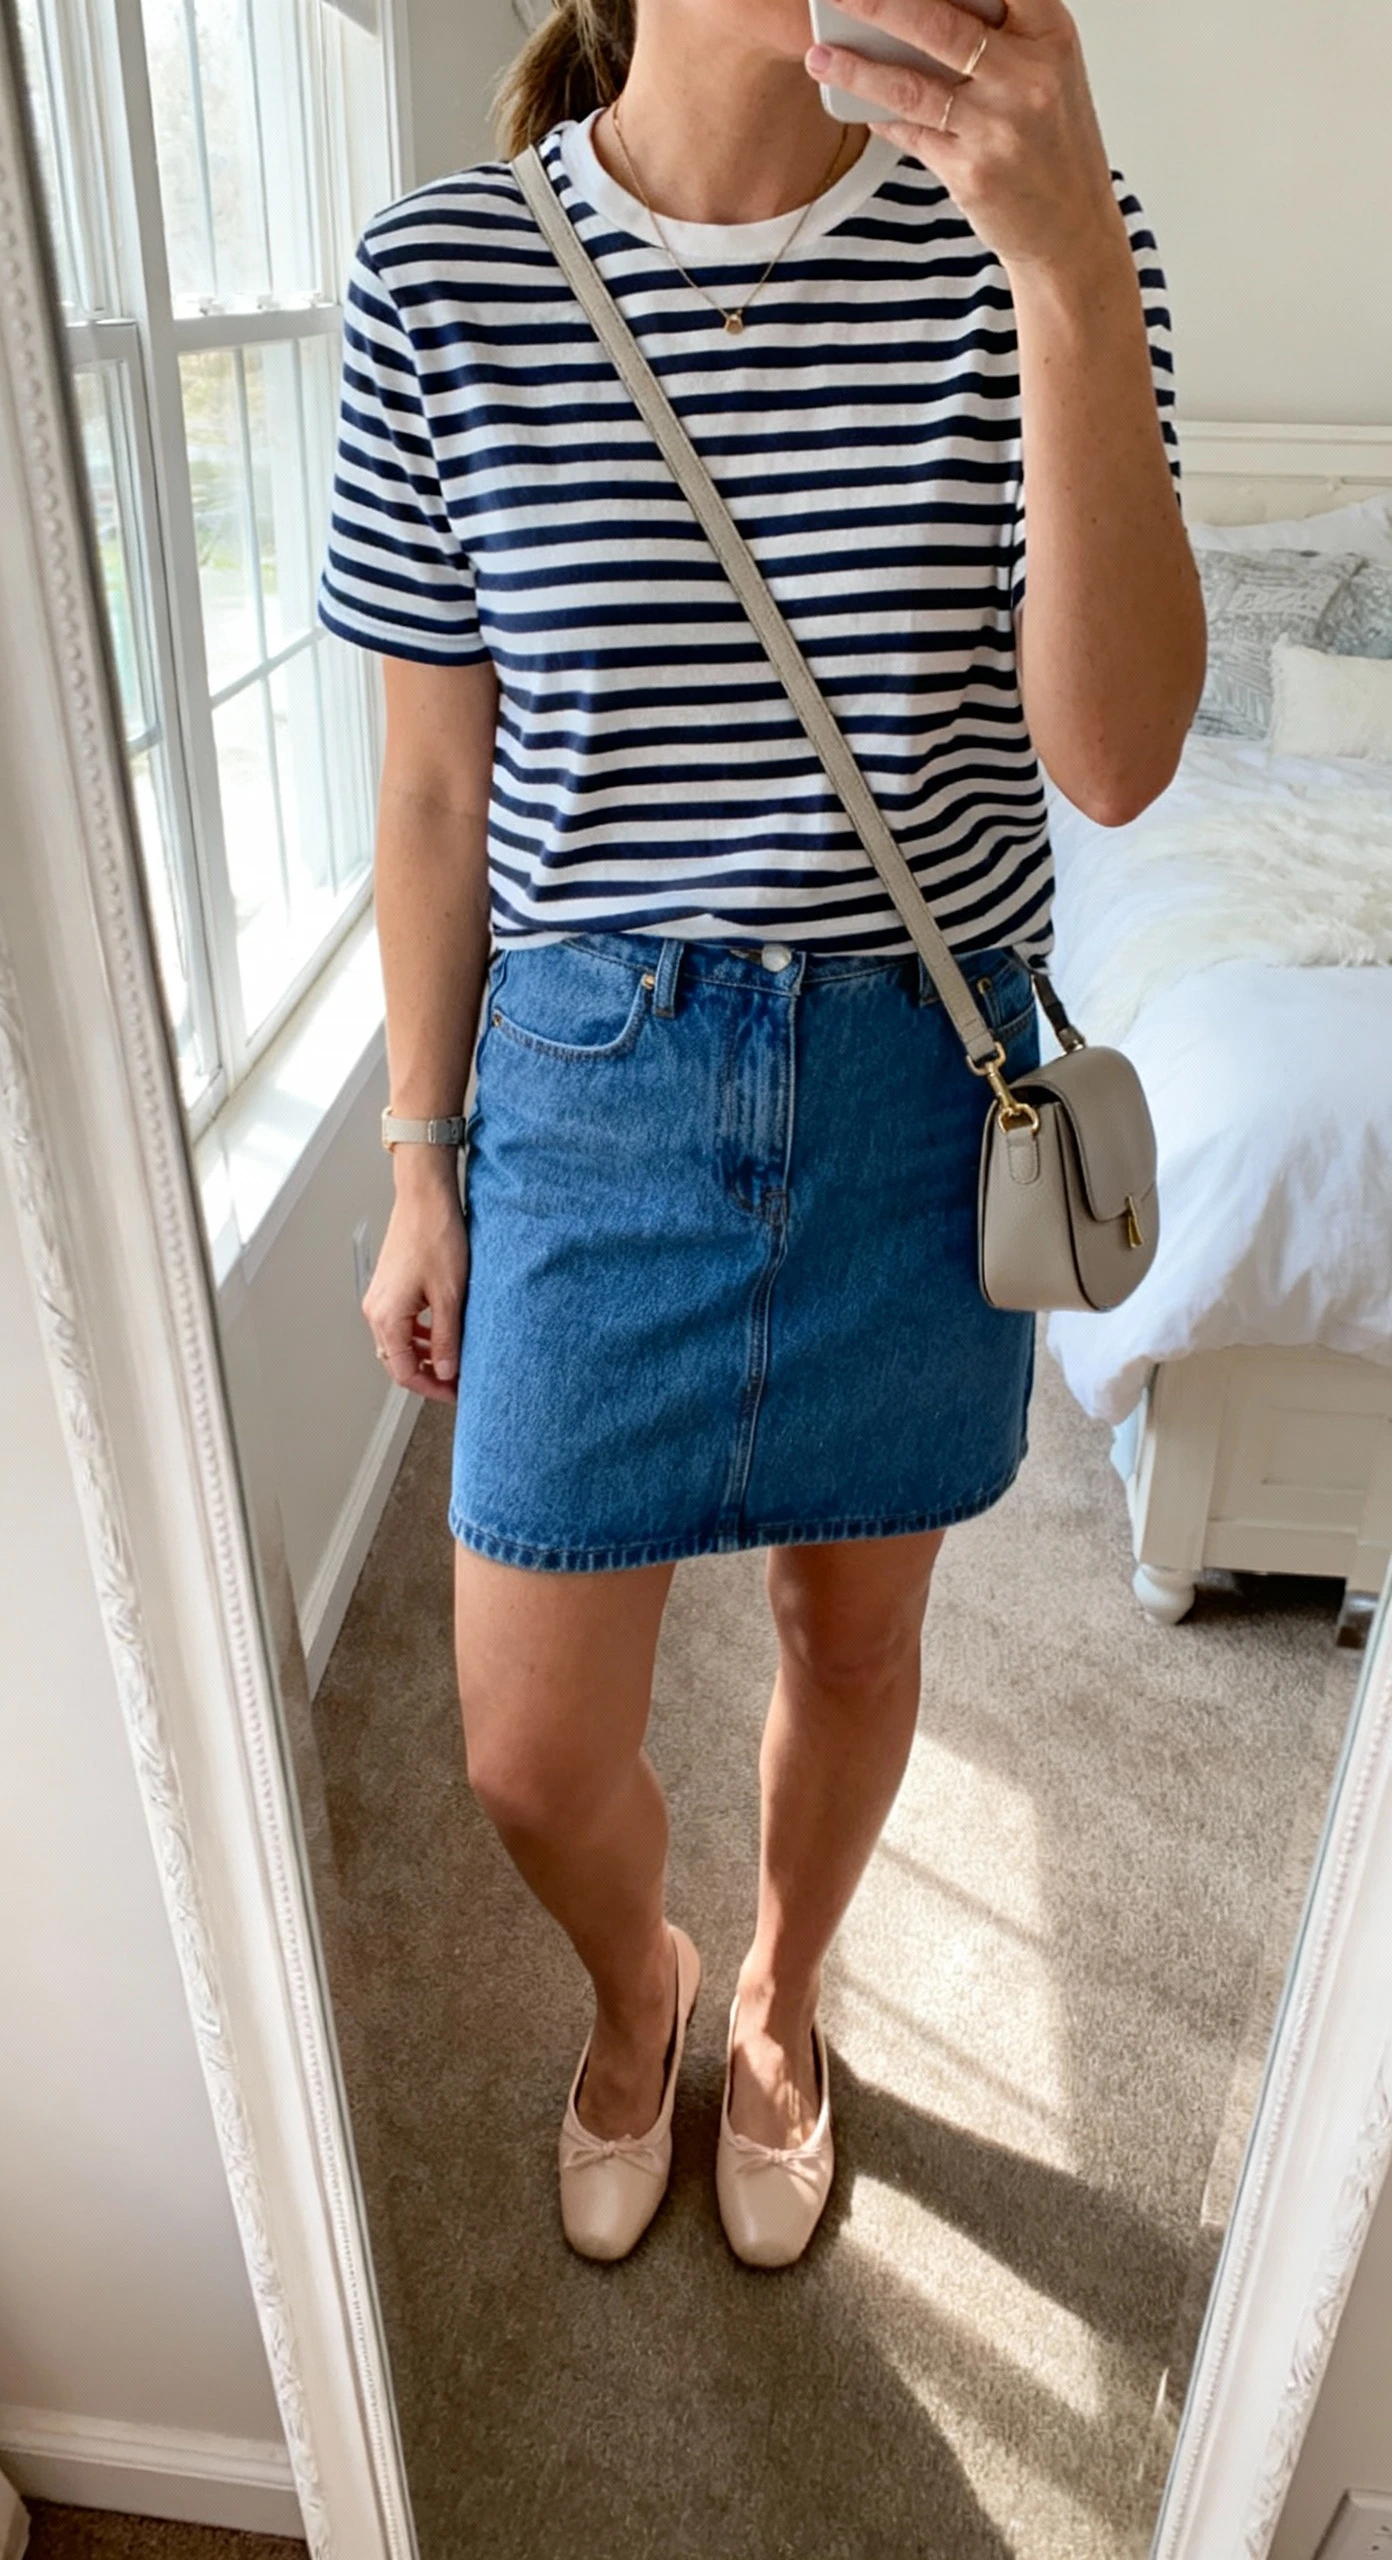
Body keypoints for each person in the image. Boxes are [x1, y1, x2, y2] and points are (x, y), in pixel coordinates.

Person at [315, 0, 1205, 2269]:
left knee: (857, 1635)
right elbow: (434, 792)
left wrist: (1068, 269)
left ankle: (790, 2003)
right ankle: (649, 1983)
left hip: (918, 1088)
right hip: (587, 1102)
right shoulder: (446, 275)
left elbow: (1111, 765)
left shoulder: (1054, 258)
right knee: (521, 1743)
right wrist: (423, 1156)